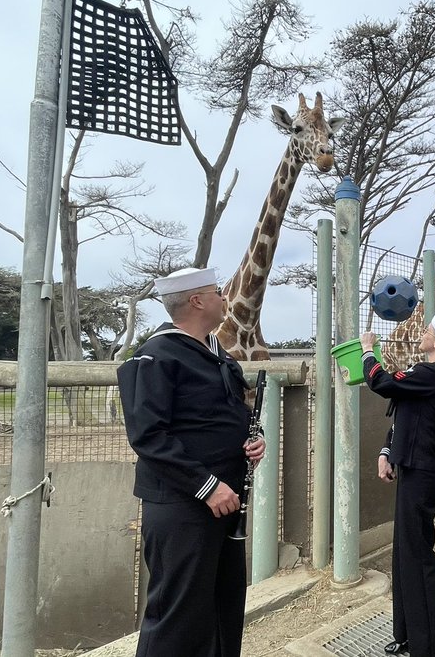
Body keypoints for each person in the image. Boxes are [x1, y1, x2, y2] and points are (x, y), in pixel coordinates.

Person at [116, 267, 267, 657]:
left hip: (226, 503)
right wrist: (207, 485)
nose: (224, 297)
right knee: (177, 614)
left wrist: (253, 440)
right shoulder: (156, 355)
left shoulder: (219, 356)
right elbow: (148, 435)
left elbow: (232, 412)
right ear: (197, 301)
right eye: (217, 292)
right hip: (185, 505)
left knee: (223, 607)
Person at [361, 311, 435, 657]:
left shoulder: (433, 372)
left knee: (417, 555)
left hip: (421, 472)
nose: (421, 334)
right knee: (405, 552)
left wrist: (368, 351)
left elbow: (382, 383)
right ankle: (408, 634)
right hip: (413, 466)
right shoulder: (433, 375)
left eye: (426, 332)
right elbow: (404, 411)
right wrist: (386, 451)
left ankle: (434, 647)